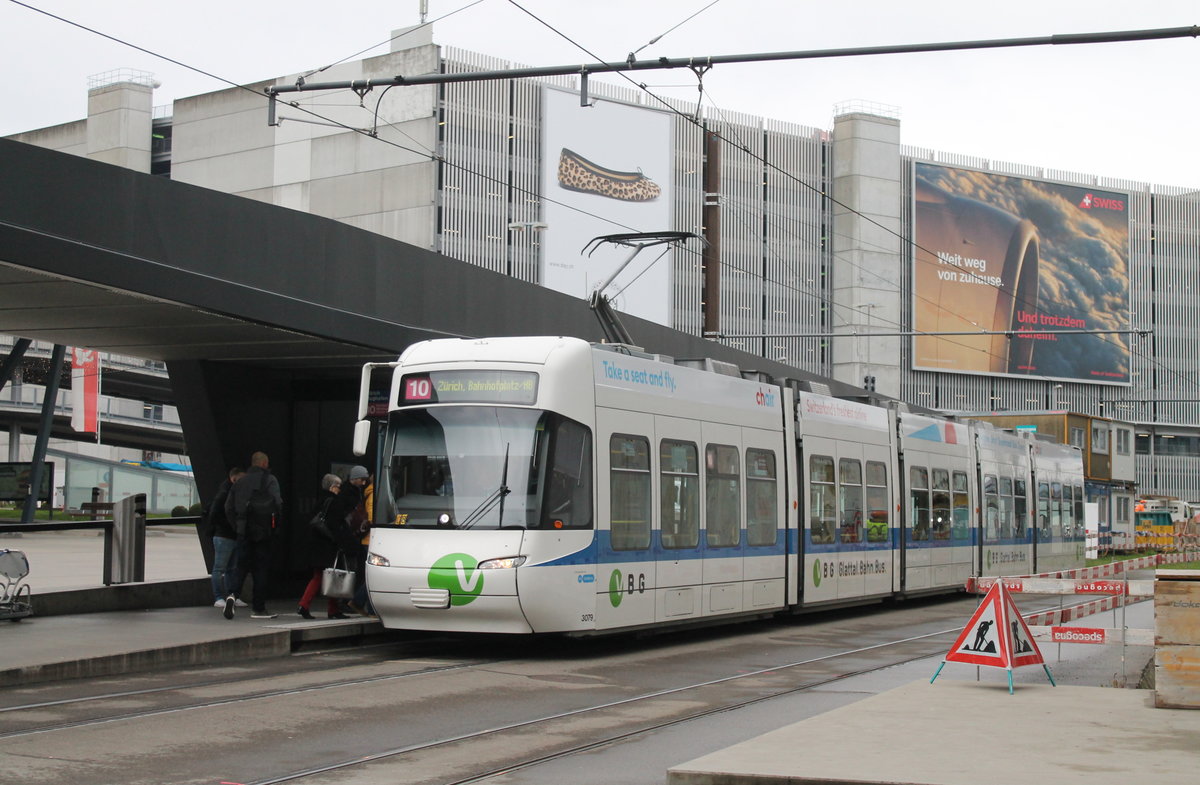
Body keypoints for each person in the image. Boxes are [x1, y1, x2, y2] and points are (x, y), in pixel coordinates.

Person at [223, 451, 282, 620]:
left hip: (243, 531)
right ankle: (258, 608)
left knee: (240, 566)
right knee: (260, 569)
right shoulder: (270, 480)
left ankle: (232, 594)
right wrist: (274, 527)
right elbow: (278, 505)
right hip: (263, 533)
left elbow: (228, 507)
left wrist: (238, 526)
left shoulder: (240, 482)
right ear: (264, 464)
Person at [297, 473, 358, 619]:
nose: (339, 489)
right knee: (328, 575)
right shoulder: (334, 502)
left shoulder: (320, 500)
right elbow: (336, 526)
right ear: (332, 487)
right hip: (328, 544)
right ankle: (306, 605)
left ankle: (329, 608)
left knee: (327, 575)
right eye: (338, 486)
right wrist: (343, 543)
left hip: (317, 543)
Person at [207, 466, 246, 609]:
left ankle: (231, 596)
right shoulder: (225, 493)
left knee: (231, 568)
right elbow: (215, 513)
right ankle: (219, 597)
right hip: (224, 535)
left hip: (231, 534)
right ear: (234, 478)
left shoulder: (232, 492)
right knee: (220, 568)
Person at [347, 469, 375, 616]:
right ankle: (359, 602)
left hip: (369, 539)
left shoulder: (369, 493)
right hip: (370, 539)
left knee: (372, 574)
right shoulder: (373, 495)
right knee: (374, 575)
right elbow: (371, 518)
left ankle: (367, 606)